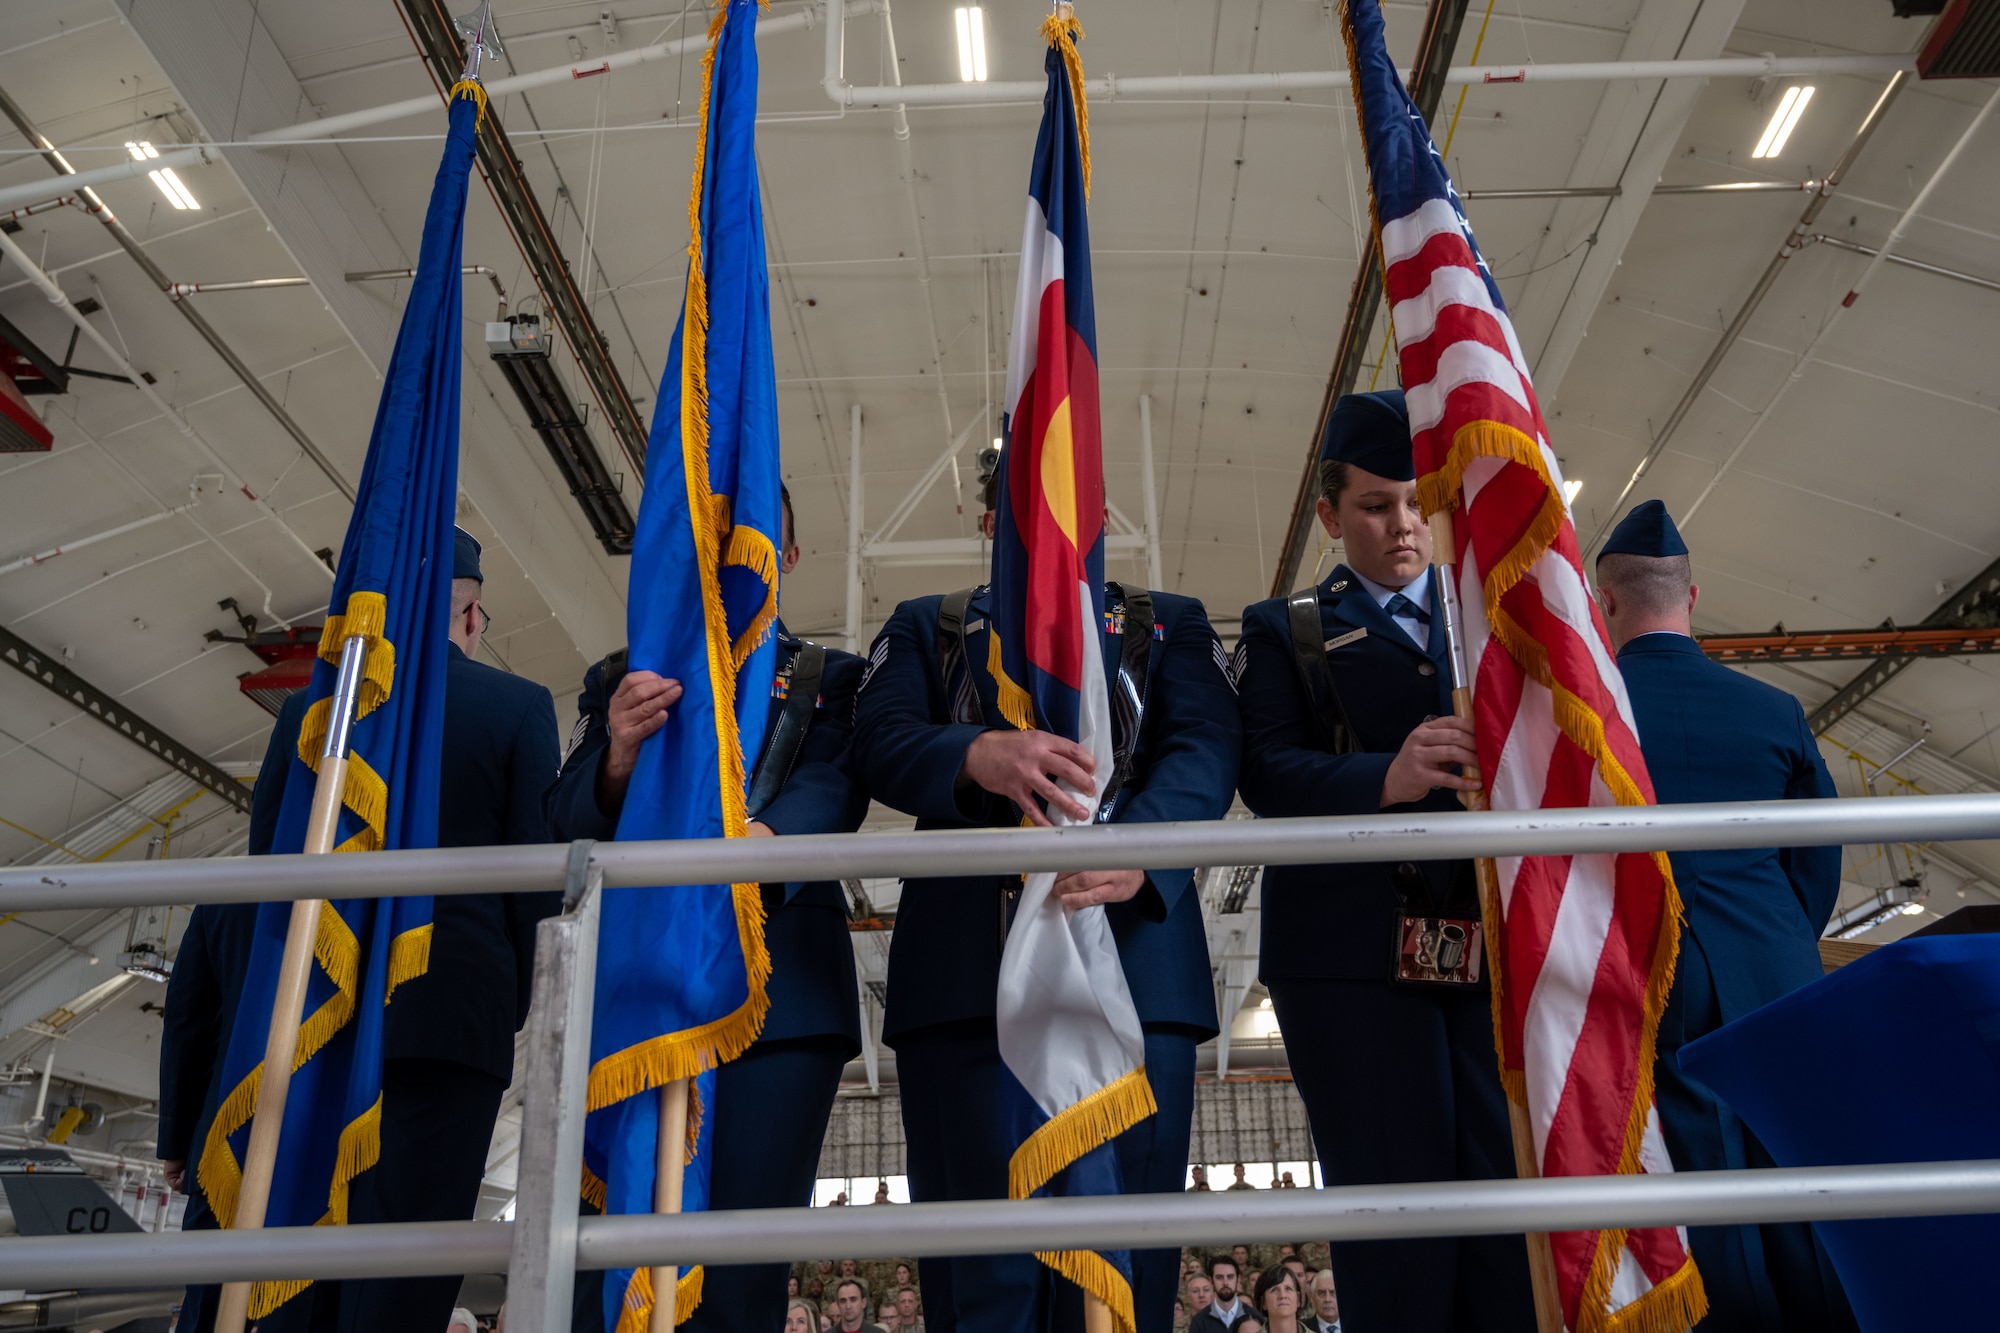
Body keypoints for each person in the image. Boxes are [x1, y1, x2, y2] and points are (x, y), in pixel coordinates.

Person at [851, 466, 1241, 1333]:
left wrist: (1144, 851)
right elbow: (878, 741)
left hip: (1134, 971)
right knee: (978, 1270)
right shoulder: (930, 626)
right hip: (965, 986)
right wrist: (976, 752)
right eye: (1018, 514)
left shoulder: (1169, 625)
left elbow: (1206, 748)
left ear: (1100, 517)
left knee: (1125, 1262)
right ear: (986, 519)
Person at [1236, 390, 1534, 1333]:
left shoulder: (1494, 616)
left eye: (1415, 502)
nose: (1402, 526)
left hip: (1489, 939)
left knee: (1503, 1188)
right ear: (1329, 515)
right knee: (1392, 1199)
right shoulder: (1286, 629)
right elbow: (1267, 771)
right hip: (1351, 955)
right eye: (1374, 506)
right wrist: (1387, 777)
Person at [216, 528, 559, 1333]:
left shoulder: (315, 710)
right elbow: (533, 885)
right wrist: (508, 1007)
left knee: (304, 1247)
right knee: (412, 1253)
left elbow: (268, 873)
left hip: (318, 1016)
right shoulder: (517, 706)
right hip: (451, 1020)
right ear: (471, 613)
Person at [548, 486, 869, 1333]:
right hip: (644, 990)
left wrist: (763, 837)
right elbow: (563, 816)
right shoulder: (625, 676)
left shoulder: (828, 677)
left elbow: (837, 785)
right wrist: (617, 753)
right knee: (614, 1250)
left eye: (755, 539)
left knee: (739, 1271)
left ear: (785, 558)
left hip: (782, 1001)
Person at [1595, 499, 1854, 1332]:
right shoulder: (1771, 709)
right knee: (1794, 1169)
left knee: (1703, 1183)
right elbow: (1816, 858)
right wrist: (1779, 946)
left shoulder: (1588, 714)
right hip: (1774, 975)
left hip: (1650, 973)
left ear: (1605, 605)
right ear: (1691, 596)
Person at [1189, 1259, 1251, 1333]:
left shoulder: (1255, 1317)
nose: (1225, 1283)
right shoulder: (1198, 1322)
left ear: (1238, 1279)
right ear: (1211, 1281)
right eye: (1219, 1277)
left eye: (1230, 1277)